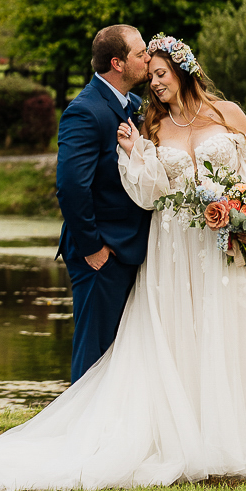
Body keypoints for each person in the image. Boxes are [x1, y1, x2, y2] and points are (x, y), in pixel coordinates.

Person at [0, 34, 246, 491]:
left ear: (183, 68)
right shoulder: (148, 124)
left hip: (230, 246)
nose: (154, 84)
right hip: (174, 249)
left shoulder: (228, 114)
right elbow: (148, 192)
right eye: (148, 76)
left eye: (159, 74)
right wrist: (134, 154)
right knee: (179, 340)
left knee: (230, 335)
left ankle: (234, 441)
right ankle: (180, 441)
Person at [55, 24, 153, 382]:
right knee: (95, 353)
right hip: (102, 253)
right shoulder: (85, 111)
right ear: (118, 63)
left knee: (125, 352)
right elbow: (70, 186)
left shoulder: (136, 106)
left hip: (134, 248)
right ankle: (79, 435)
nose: (148, 58)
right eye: (141, 53)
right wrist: (93, 247)